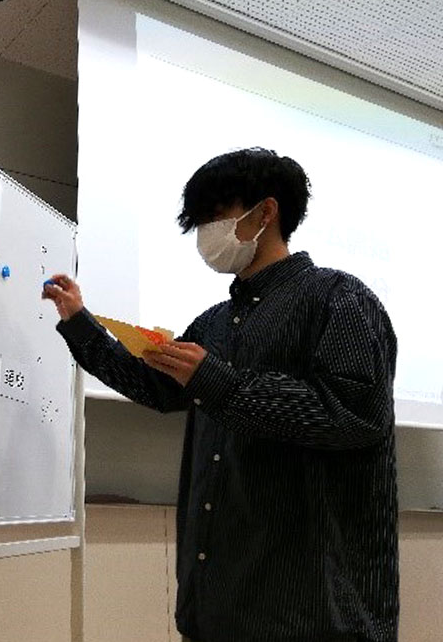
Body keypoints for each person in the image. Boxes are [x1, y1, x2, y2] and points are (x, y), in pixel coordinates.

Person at [43, 148, 398, 642]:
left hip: (310, 615)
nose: (206, 234)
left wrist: (218, 382)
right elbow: (154, 386)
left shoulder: (340, 299)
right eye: (199, 222)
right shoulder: (214, 322)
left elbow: (353, 416)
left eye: (215, 215)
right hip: (216, 608)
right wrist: (80, 322)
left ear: (266, 212)